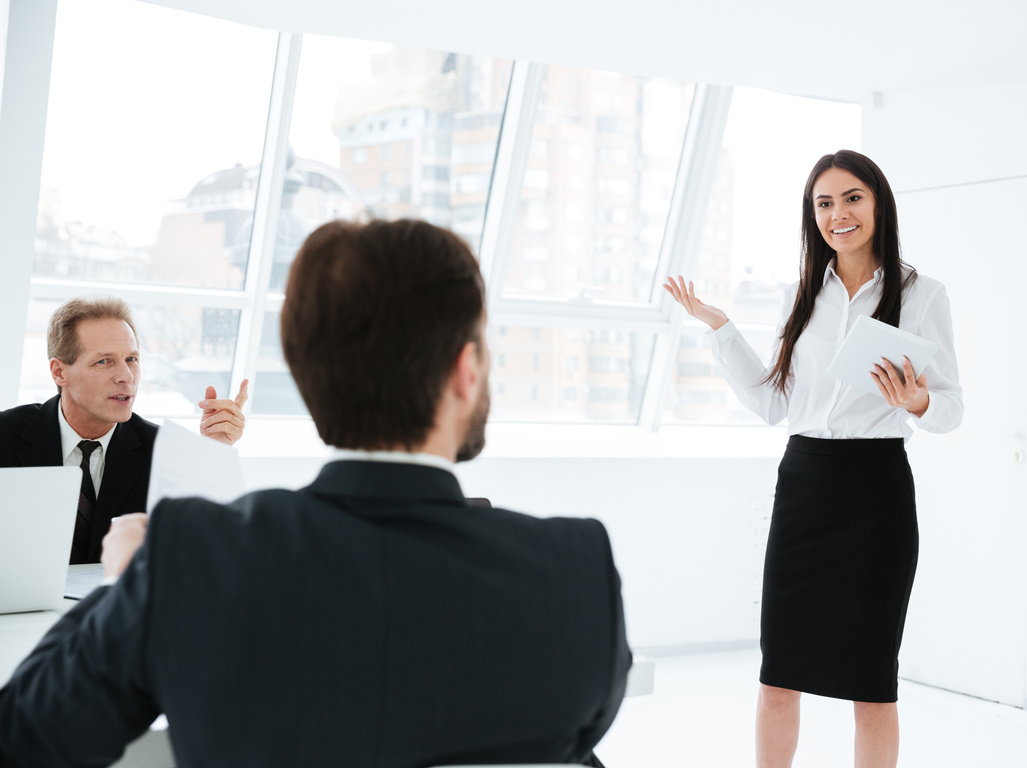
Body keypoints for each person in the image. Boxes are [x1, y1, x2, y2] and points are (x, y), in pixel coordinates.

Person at [0, 218, 631, 768]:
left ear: (307, 377)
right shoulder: (577, 571)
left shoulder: (192, 558)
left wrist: (127, 584)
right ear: (467, 372)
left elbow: (25, 736)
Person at [665, 149, 962, 768]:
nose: (838, 214)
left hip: (877, 491)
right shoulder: (801, 293)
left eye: (852, 197)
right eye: (823, 203)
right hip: (804, 488)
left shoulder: (922, 293)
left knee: (871, 686)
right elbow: (775, 404)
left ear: (878, 203)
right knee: (779, 678)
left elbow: (953, 408)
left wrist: (918, 399)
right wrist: (721, 328)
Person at [0, 296, 248, 563]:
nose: (126, 377)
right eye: (104, 362)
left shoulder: (163, 450)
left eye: (131, 359)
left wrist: (214, 453)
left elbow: (205, 550)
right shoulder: (6, 435)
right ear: (60, 372)